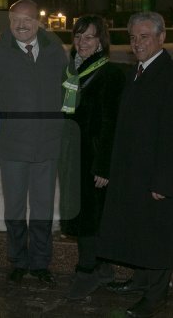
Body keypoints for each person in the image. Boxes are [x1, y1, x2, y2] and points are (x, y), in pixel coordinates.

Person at [96, 11, 173, 317]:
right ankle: (140, 280)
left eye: (145, 36)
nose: (137, 43)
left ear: (162, 38)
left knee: (157, 235)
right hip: (131, 172)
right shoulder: (134, 73)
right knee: (137, 230)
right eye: (133, 37)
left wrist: (163, 182)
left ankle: (156, 296)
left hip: (155, 176)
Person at [0, 0, 68, 286]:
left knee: (42, 209)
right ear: (8, 22)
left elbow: (68, 97)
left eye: (27, 19)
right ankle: (18, 260)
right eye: (16, 19)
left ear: (38, 21)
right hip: (12, 146)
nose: (21, 24)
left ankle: (41, 262)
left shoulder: (56, 53)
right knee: (15, 208)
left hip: (47, 146)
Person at [57, 15, 126, 300]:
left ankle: (87, 272)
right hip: (72, 156)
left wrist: (103, 164)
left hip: (93, 158)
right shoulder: (71, 72)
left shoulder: (109, 74)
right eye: (78, 36)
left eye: (89, 37)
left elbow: (112, 123)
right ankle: (103, 268)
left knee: (89, 215)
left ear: (101, 42)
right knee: (83, 212)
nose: (82, 42)